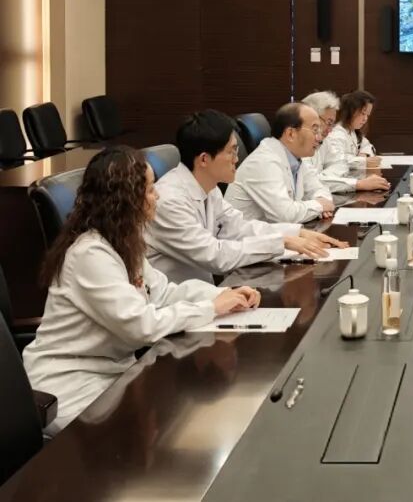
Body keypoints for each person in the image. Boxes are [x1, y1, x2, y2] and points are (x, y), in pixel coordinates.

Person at [23, 147, 261, 433]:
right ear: (125, 200)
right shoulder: (89, 254)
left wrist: (223, 295)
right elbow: (140, 327)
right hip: (69, 385)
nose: (157, 196)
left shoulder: (124, 242)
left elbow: (163, 293)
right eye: (149, 190)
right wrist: (210, 308)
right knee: (156, 427)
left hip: (112, 373)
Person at [146, 110, 347, 283]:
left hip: (203, 295)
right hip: (174, 304)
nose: (237, 159)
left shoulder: (208, 187)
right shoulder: (169, 201)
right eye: (232, 152)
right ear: (204, 159)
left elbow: (239, 226)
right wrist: (281, 242)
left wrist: (297, 233)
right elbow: (215, 256)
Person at [225, 103, 337, 223]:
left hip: (275, 231)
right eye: (314, 130)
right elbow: (286, 215)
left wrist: (322, 203)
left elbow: (319, 188)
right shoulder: (264, 162)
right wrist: (320, 206)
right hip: (246, 234)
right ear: (290, 134)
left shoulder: (297, 158)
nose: (319, 138)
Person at [313, 90, 390, 194]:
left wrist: (364, 154)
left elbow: (366, 146)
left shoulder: (353, 132)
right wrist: (363, 161)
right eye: (363, 113)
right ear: (350, 111)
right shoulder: (336, 134)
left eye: (367, 115)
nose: (365, 119)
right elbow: (340, 162)